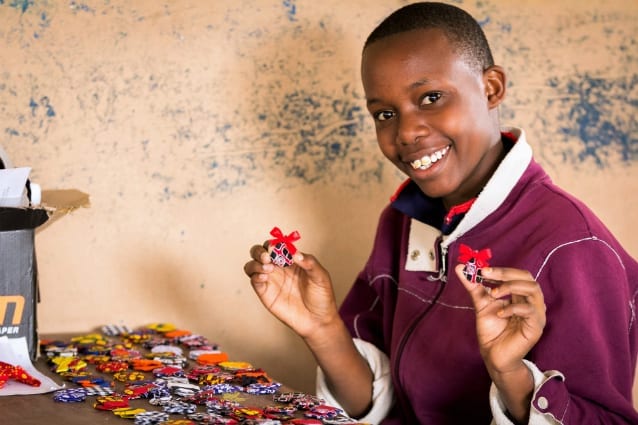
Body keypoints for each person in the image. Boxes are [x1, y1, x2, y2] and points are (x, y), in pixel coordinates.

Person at [243, 2, 638, 424]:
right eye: (385, 114)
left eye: (430, 97)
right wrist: (321, 329)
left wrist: (511, 375)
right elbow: (376, 401)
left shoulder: (572, 246)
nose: (406, 132)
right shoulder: (402, 220)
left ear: (491, 89)